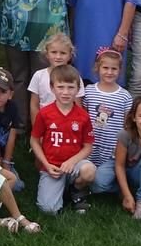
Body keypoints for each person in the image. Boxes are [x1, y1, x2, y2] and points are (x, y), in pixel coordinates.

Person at [30, 64, 97, 214]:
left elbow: (88, 146)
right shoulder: (45, 113)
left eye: (70, 87)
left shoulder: (83, 116)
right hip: (52, 167)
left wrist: (72, 161)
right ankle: (61, 191)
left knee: (89, 171)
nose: (65, 92)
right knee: (48, 210)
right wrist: (46, 164)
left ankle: (77, 190)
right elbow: (34, 141)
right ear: (52, 88)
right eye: (61, 87)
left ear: (78, 89)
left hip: (74, 165)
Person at [81, 48, 135, 197]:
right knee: (86, 175)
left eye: (114, 68)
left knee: (98, 185)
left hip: (112, 151)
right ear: (97, 68)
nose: (109, 72)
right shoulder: (90, 91)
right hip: (90, 148)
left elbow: (127, 125)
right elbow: (83, 117)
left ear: (120, 70)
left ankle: (117, 185)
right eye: (105, 68)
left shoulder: (124, 96)